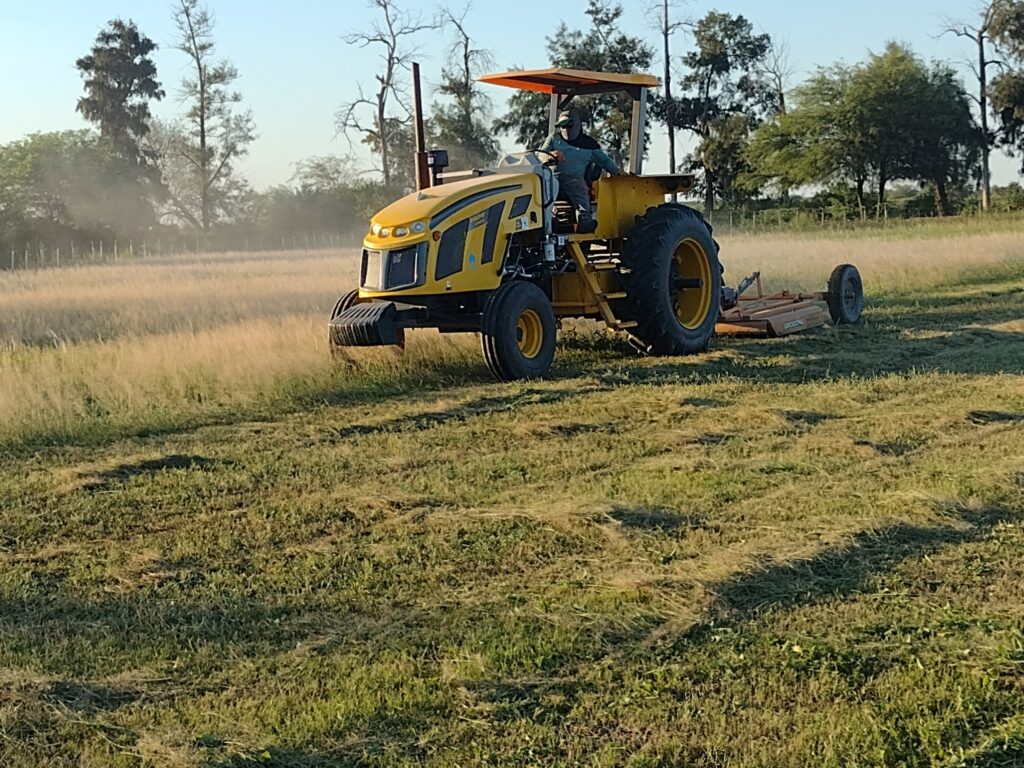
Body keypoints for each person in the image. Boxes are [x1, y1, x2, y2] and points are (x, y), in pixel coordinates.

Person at [539, 108, 623, 234]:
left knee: (579, 187)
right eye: (562, 126)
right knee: (536, 186)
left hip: (573, 179)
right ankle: (540, 221)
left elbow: (605, 161)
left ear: (577, 125)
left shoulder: (589, 144)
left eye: (568, 125)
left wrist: (618, 172)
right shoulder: (553, 139)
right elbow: (540, 155)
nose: (565, 129)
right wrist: (550, 155)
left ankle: (584, 219)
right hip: (551, 179)